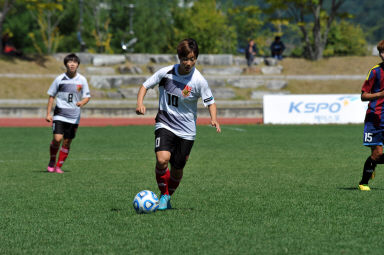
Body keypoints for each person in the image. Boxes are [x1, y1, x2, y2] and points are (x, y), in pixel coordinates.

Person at [136, 38, 221, 210]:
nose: (188, 63)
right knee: (162, 160)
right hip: (165, 123)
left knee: (177, 168)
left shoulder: (199, 80)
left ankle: (166, 196)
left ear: (196, 58)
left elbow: (210, 102)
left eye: (192, 59)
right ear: (179, 57)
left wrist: (214, 118)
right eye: (185, 59)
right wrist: (140, 103)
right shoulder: (166, 72)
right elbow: (145, 86)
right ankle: (164, 196)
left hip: (186, 131)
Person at [45, 53, 91, 173]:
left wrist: (82, 102)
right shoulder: (59, 79)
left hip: (74, 116)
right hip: (60, 113)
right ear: (66, 64)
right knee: (57, 139)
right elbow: (51, 96)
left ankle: (58, 166)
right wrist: (48, 113)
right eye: (69, 62)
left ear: (77, 65)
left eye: (74, 62)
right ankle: (52, 160)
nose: (72, 64)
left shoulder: (82, 80)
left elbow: (87, 96)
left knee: (67, 141)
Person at [359, 40, 384, 191]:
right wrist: (381, 94)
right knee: (377, 155)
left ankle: (372, 164)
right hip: (375, 118)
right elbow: (363, 96)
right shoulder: (375, 71)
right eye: (381, 52)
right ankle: (363, 183)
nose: (382, 55)